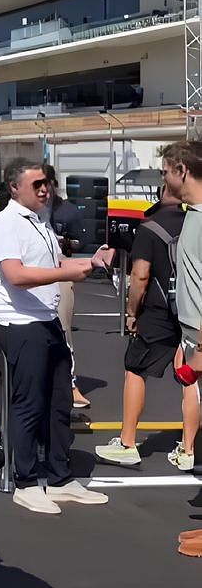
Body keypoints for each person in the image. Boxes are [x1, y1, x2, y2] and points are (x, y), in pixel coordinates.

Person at [0, 158, 114, 515]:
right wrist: (67, 271)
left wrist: (92, 262)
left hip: (47, 321)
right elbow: (17, 276)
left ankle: (59, 477)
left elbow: (58, 267)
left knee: (60, 403)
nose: (45, 189)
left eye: (47, 183)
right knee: (28, 405)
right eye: (37, 184)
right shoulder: (7, 223)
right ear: (14, 188)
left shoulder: (39, 219)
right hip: (21, 325)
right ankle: (26, 481)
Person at [96, 166, 195, 471]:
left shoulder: (150, 228)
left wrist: (131, 313)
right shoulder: (196, 223)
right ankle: (189, 448)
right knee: (191, 375)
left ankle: (127, 442)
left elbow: (140, 276)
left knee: (135, 369)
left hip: (158, 310)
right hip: (192, 310)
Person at [156, 140, 202, 557]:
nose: (164, 180)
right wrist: (186, 341)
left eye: (166, 172)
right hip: (194, 335)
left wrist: (199, 344)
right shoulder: (194, 217)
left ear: (182, 171)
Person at [43, 164, 90, 410]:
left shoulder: (68, 210)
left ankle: (70, 383)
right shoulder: (27, 212)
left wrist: (67, 242)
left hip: (60, 274)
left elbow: (82, 241)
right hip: (31, 276)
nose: (43, 191)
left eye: (46, 184)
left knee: (63, 330)